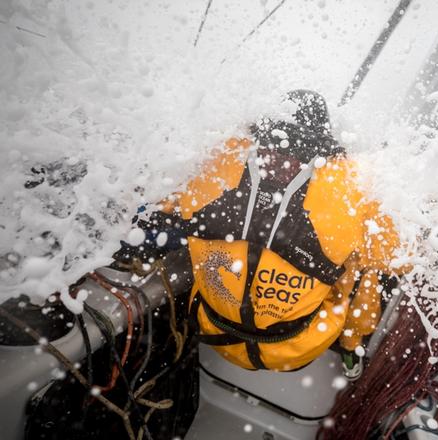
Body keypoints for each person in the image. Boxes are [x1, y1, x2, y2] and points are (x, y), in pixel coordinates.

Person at [114, 90, 401, 375]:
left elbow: (156, 202)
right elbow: (382, 269)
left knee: (185, 225)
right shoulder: (352, 189)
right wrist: (352, 342)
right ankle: (351, 354)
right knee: (360, 265)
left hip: (213, 329)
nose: (278, 161)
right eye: (273, 151)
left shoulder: (220, 160)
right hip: (295, 346)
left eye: (288, 154)